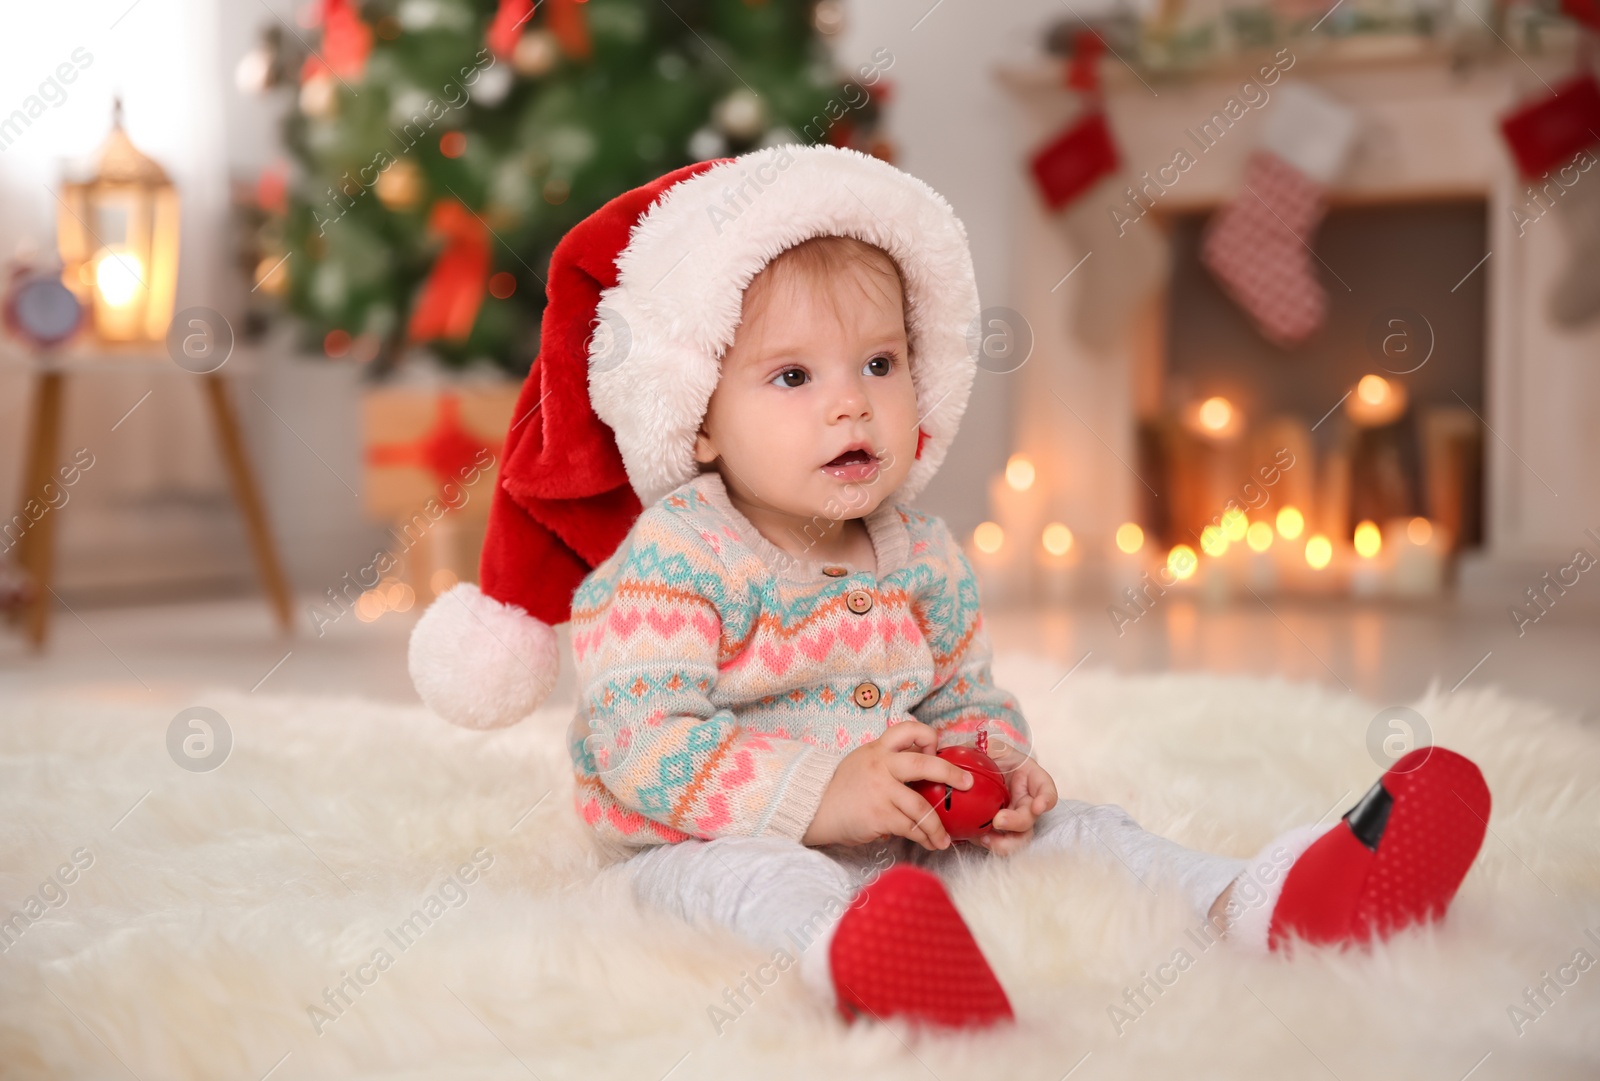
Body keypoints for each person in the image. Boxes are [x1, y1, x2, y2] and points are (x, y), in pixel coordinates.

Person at [406, 144, 1491, 1031]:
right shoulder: (674, 559)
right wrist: (819, 795)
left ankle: (1265, 896)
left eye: (880, 364)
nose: (852, 406)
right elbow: (638, 742)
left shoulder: (917, 551)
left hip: (913, 827)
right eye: (793, 377)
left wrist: (1000, 767)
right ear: (695, 413)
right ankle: (859, 958)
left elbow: (960, 691)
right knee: (751, 887)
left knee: (1095, 833)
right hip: (709, 834)